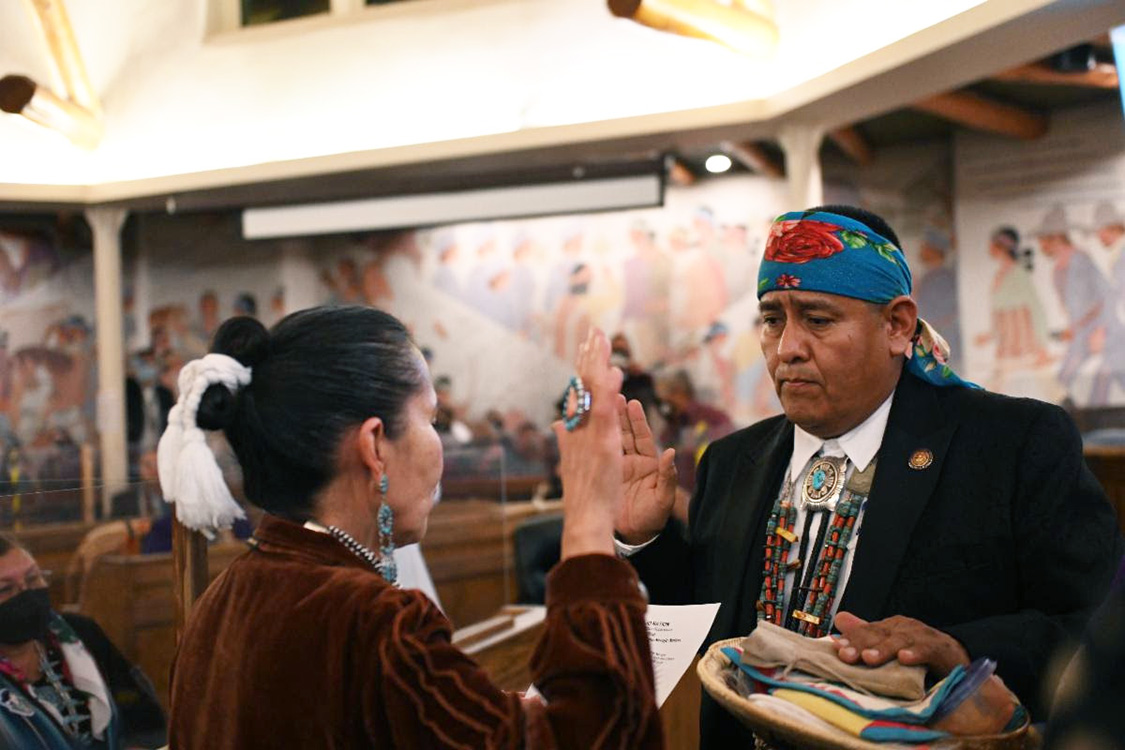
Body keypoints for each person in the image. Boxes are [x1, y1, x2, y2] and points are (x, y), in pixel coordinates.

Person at [613, 205, 1123, 747]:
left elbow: (1089, 626)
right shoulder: (732, 461)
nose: (787, 348)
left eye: (818, 319)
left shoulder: (1010, 444)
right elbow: (709, 632)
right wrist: (645, 538)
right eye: (771, 319)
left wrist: (958, 650)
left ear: (897, 325)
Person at [164, 308, 661, 749]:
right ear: (375, 445)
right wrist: (588, 516)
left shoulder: (221, 601)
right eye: (432, 419)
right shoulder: (375, 624)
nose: (440, 443)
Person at [0, 534, 166, 749]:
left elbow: (143, 713)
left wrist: (138, 745)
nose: (26, 594)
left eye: (33, 578)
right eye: (5, 589)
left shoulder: (81, 633)